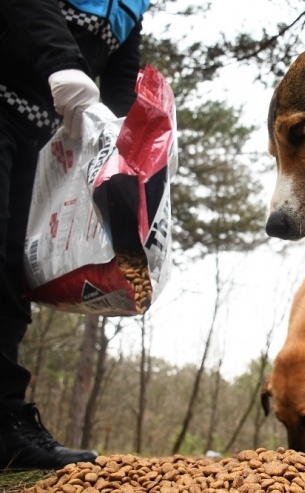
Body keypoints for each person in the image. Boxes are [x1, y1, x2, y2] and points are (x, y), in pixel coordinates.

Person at [0, 0, 149, 470]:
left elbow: (122, 82)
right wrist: (62, 59)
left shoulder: (134, 7)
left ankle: (6, 424)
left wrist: (127, 152)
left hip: (41, 136)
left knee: (10, 272)